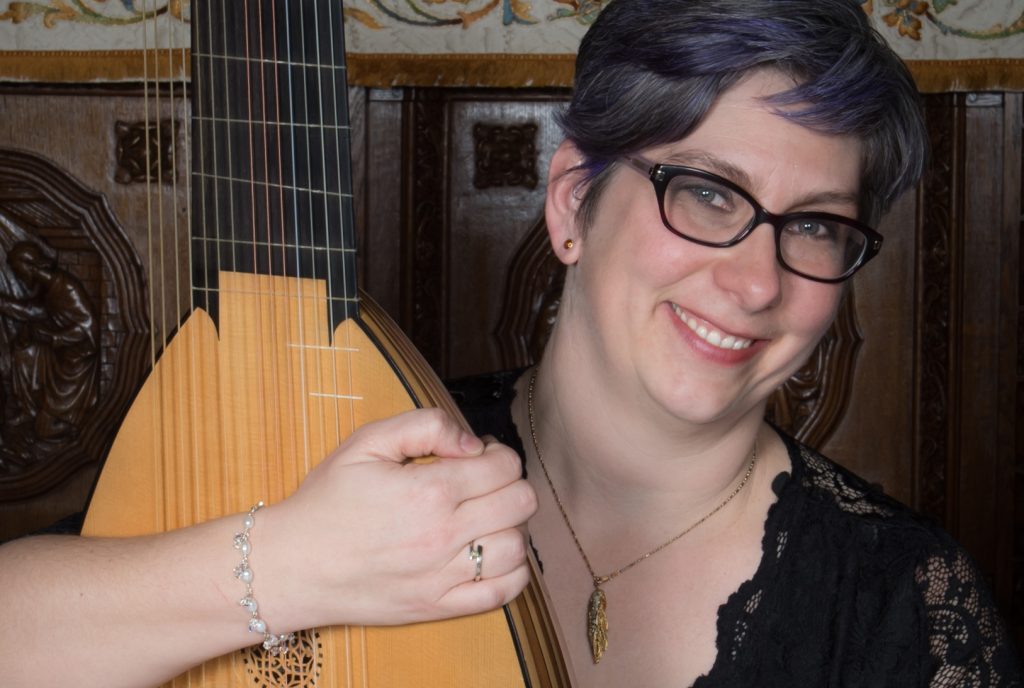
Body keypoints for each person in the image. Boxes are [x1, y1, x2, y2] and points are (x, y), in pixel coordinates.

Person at [0, 0, 1020, 686]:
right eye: (708, 194)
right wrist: (293, 562)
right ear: (573, 202)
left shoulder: (904, 601)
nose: (756, 283)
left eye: (816, 227)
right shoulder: (359, 452)